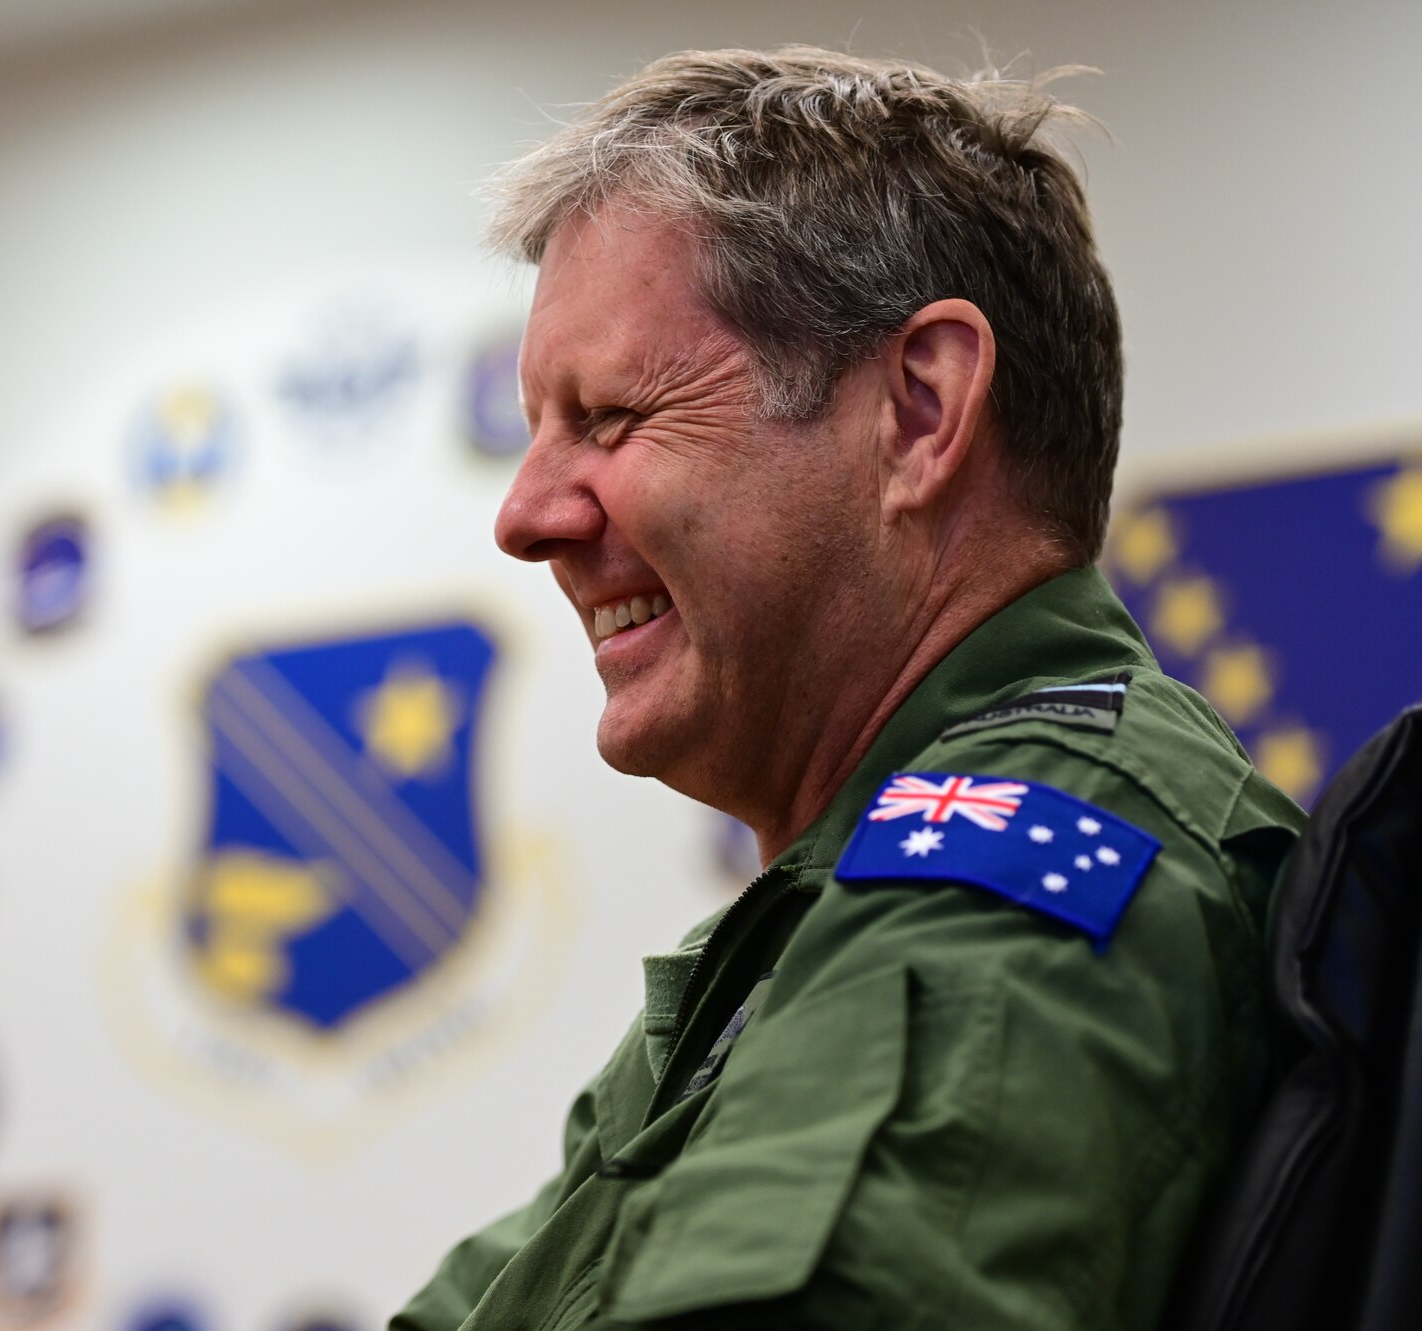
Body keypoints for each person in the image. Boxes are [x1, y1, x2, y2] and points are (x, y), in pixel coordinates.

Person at [392, 46, 1303, 1331]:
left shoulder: (1032, 836)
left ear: (920, 410)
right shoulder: (786, 936)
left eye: (607, 417)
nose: (525, 516)